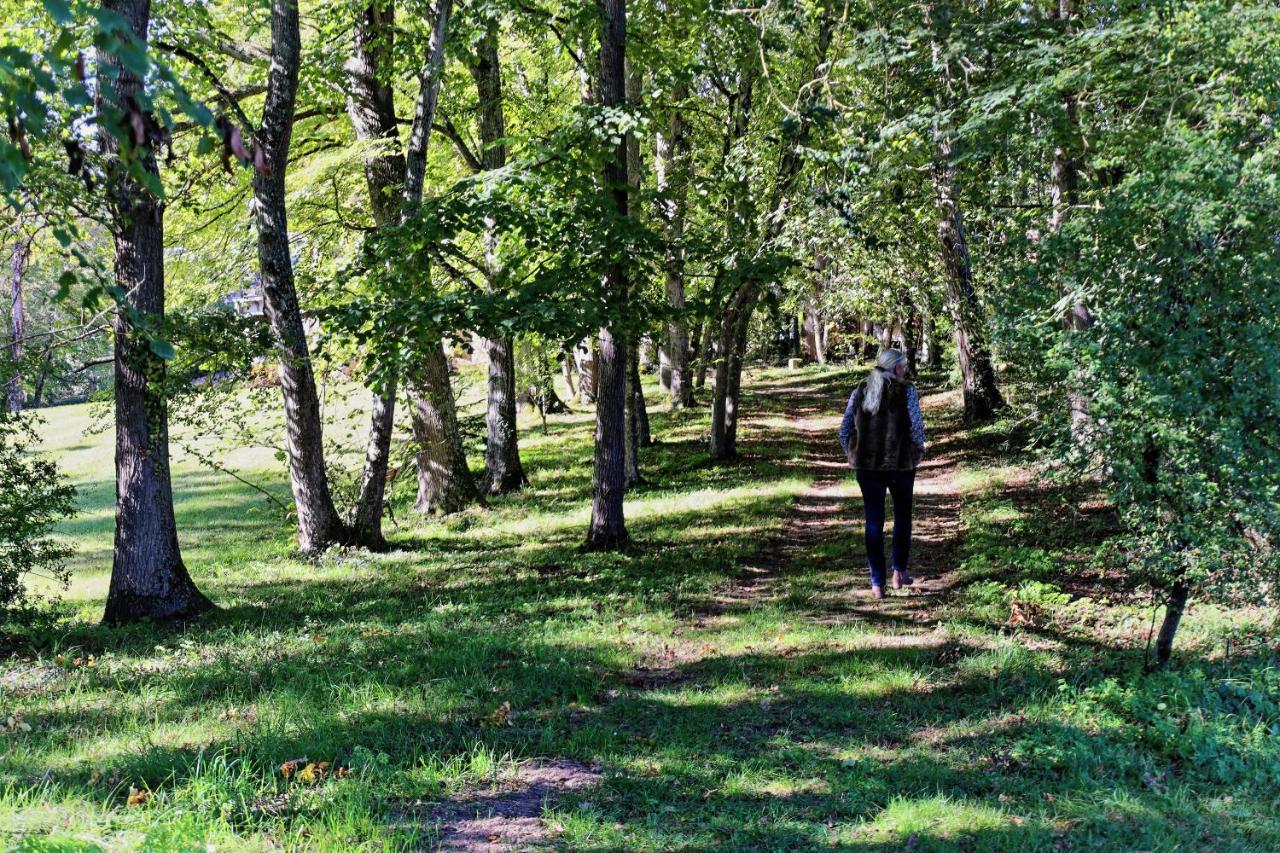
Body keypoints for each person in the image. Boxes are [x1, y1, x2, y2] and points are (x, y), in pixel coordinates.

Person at [838, 349, 926, 599]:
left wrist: (854, 454)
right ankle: (899, 572)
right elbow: (917, 427)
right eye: (904, 366)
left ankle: (877, 583)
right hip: (900, 466)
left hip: (867, 469)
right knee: (902, 517)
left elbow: (844, 430)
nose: (906, 370)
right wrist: (918, 451)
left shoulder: (860, 390)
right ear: (896, 368)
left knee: (873, 521)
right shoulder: (907, 391)